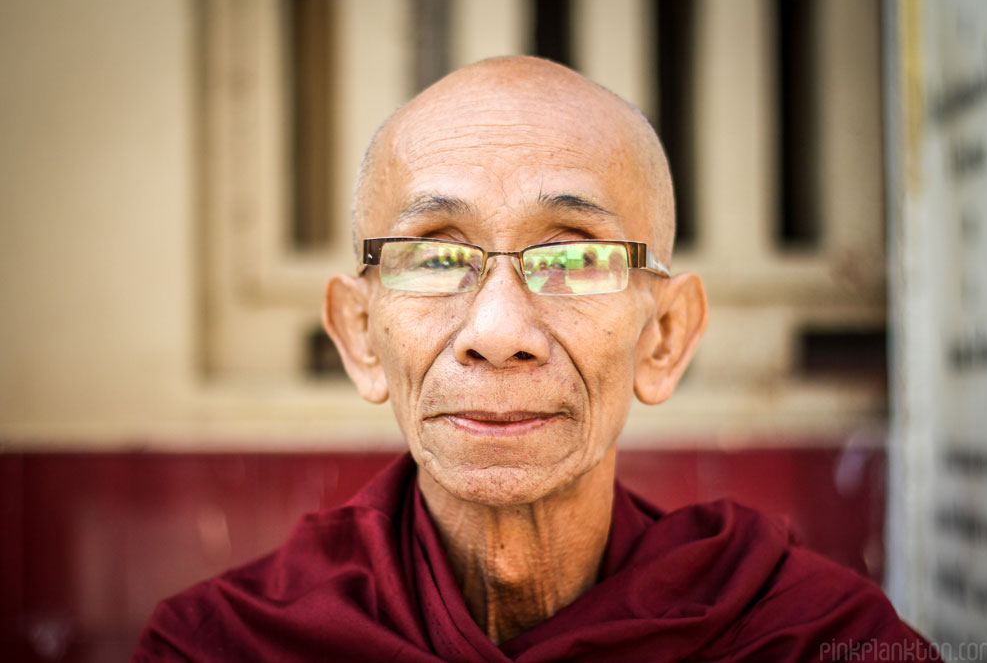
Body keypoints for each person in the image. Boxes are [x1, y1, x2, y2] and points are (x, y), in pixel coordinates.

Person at [134, 56, 937, 662]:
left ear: (664, 337)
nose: (498, 327)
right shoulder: (225, 644)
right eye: (436, 257)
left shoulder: (802, 636)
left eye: (576, 257)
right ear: (358, 334)